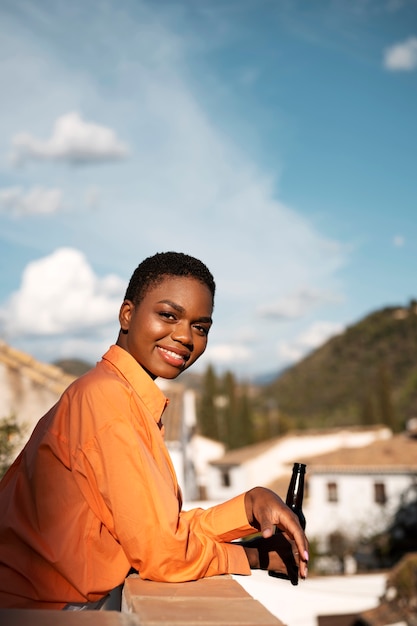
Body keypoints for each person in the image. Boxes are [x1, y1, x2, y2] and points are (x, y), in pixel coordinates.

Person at [0, 251, 308, 610]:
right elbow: (163, 554)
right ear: (127, 314)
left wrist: (249, 507)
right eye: (168, 315)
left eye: (200, 327)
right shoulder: (107, 401)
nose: (184, 337)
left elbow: (160, 530)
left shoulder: (119, 396)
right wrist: (254, 557)